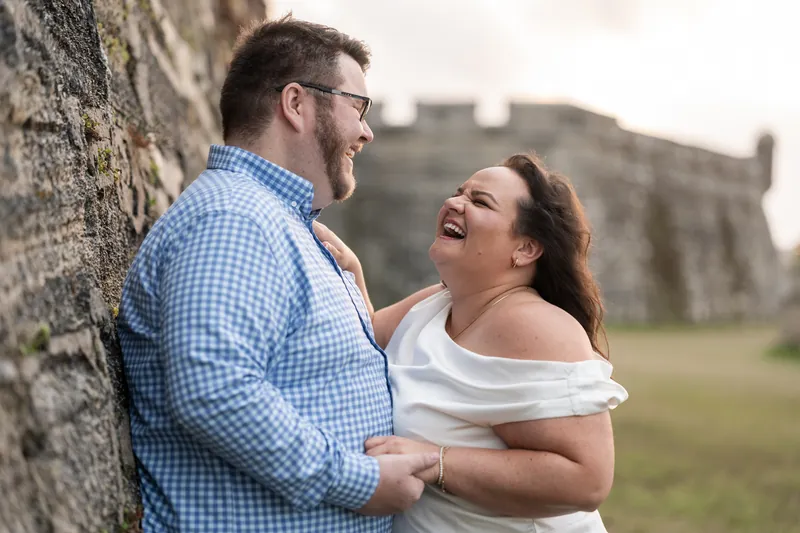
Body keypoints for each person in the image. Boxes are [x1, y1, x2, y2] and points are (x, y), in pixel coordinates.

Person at [117, 14, 438, 533]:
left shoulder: (275, 221)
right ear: (295, 104)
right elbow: (213, 389)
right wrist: (361, 482)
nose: (367, 130)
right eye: (357, 106)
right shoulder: (235, 219)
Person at [315, 152, 629, 532]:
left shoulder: (538, 327)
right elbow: (363, 345)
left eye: (479, 202)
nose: (453, 203)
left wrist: (434, 461)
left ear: (526, 249)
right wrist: (353, 272)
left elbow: (587, 480)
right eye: (458, 193)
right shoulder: (434, 303)